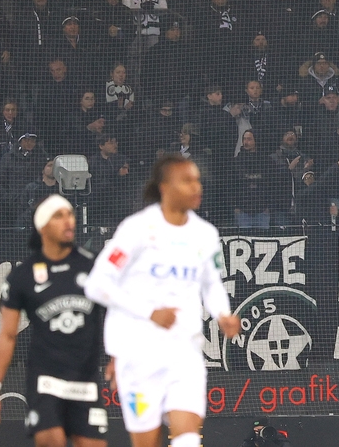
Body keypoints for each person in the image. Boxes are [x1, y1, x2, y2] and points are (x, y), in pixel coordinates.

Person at [84, 154, 240, 447]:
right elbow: (97, 284)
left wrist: (223, 314)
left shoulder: (205, 234)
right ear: (165, 187)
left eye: (197, 180)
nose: (197, 187)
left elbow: (211, 283)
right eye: (187, 180)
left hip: (184, 352)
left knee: (188, 438)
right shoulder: (137, 229)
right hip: (138, 355)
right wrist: (149, 313)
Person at [0, 195, 108, 447]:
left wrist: (117, 356)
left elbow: (119, 311)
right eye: (58, 216)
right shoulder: (22, 276)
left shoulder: (93, 265)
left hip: (85, 378)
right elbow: (7, 335)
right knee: (51, 440)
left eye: (70, 214)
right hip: (45, 379)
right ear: (42, 226)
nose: (68, 221)